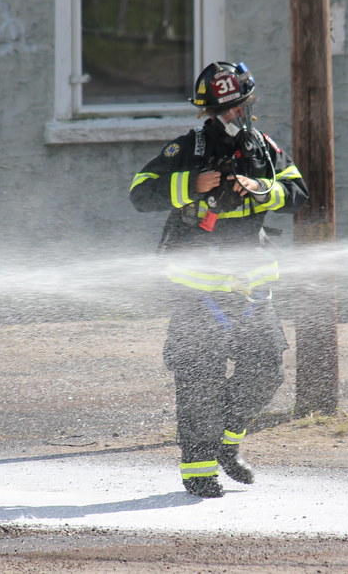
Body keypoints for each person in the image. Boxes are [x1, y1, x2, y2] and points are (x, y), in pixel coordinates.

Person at [129, 61, 309, 497]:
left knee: (266, 372)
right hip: (197, 291)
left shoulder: (264, 149)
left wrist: (264, 189)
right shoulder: (187, 149)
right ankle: (198, 469)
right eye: (221, 110)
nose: (232, 117)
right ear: (207, 111)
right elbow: (140, 193)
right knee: (199, 378)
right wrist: (191, 183)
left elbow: (300, 193)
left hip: (252, 289)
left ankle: (227, 445)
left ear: (248, 104)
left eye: (237, 107)